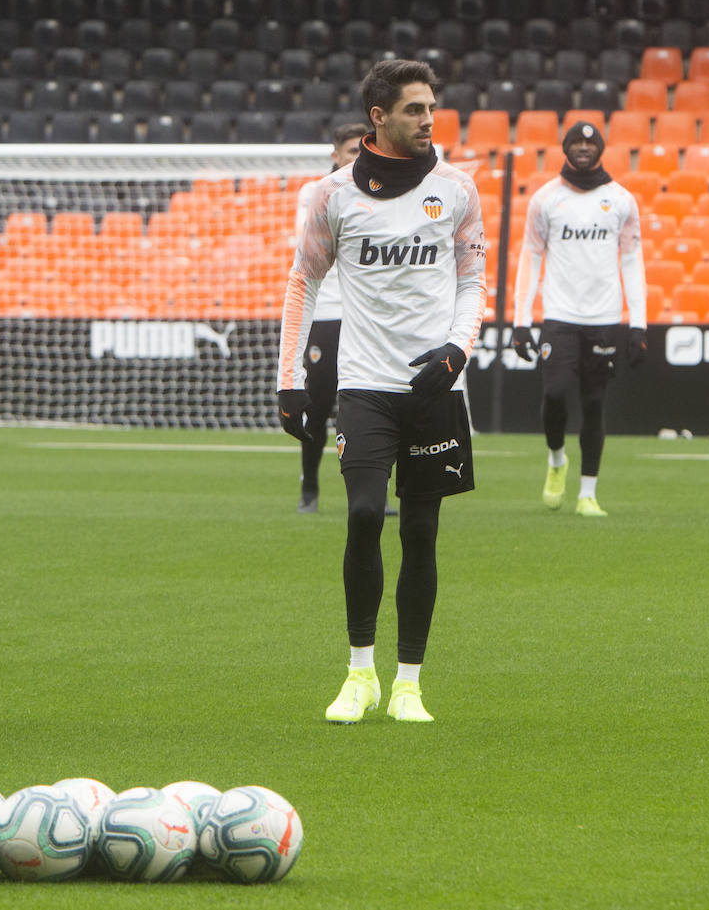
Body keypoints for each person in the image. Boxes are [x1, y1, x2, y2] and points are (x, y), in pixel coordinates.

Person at [276, 59, 486, 724]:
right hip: (362, 386)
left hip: (433, 387)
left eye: (432, 108)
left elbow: (473, 280)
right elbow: (302, 283)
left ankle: (409, 683)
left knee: (421, 532)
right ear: (380, 117)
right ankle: (359, 672)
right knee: (365, 514)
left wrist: (457, 350)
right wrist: (288, 379)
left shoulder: (456, 188)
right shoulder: (332, 195)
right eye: (416, 110)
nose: (429, 120)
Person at [510, 122, 647, 517]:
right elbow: (530, 257)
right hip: (560, 316)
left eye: (590, 142)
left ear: (600, 149)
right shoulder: (546, 199)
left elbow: (632, 260)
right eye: (576, 142)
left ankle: (588, 493)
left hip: (604, 316)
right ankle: (556, 461)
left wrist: (638, 322)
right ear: (566, 148)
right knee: (553, 396)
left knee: (594, 402)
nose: (583, 148)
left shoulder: (620, 199)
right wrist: (522, 320)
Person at [293, 121, 371, 514]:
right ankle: (309, 485)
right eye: (352, 151)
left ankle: (369, 492)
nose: (358, 157)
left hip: (366, 316)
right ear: (335, 155)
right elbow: (315, 254)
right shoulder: (314, 193)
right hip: (326, 313)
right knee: (319, 405)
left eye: (363, 149)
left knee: (369, 405)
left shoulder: (382, 192)